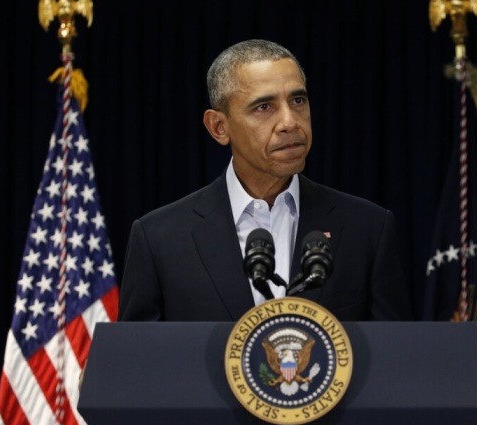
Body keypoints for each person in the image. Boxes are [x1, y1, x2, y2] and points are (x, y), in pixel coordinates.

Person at [118, 39, 412, 322]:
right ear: (219, 127)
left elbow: (395, 358)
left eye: (298, 100)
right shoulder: (159, 239)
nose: (289, 122)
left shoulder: (369, 229)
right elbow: (139, 363)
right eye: (264, 107)